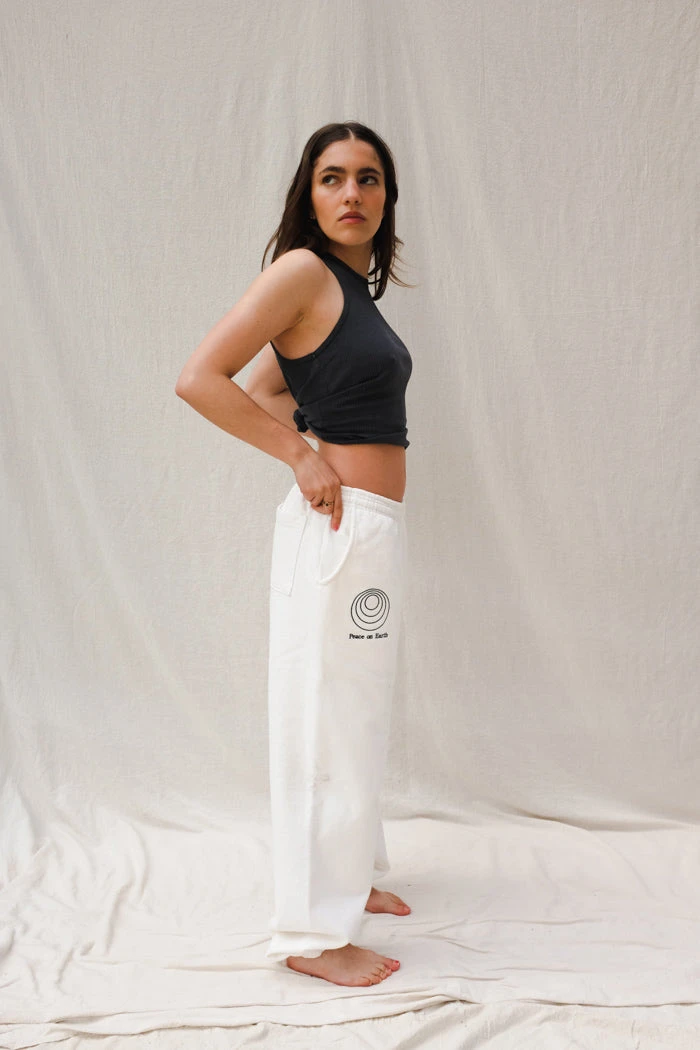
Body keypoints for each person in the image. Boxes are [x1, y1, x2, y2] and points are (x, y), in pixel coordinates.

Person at [175, 121, 415, 987]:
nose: (352, 193)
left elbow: (271, 384)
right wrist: (301, 456)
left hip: (369, 529)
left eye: (369, 179)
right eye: (332, 177)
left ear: (386, 199)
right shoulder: (303, 272)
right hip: (339, 528)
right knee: (327, 716)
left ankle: (348, 877)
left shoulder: (346, 292)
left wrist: (306, 424)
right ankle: (313, 935)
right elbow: (200, 378)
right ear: (308, 196)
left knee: (358, 710)